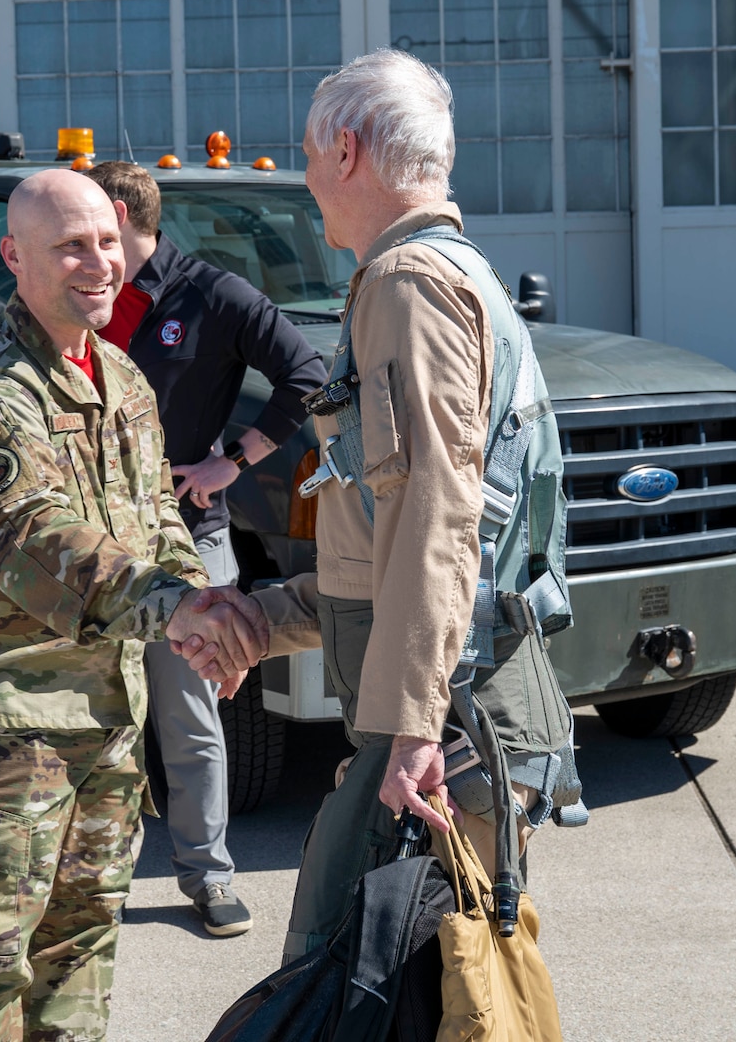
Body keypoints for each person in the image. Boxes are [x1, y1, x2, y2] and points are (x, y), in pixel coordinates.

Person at [218, 49, 571, 964]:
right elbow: (384, 547)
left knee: (359, 989)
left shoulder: (407, 285)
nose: (305, 178)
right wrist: (260, 618)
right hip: (450, 716)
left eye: (306, 153)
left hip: (440, 731)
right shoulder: (444, 274)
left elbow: (436, 515)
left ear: (346, 153)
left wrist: (412, 724)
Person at [0, 169, 267, 1041]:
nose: (97, 262)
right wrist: (176, 608)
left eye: (107, 241)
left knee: (81, 948)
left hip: (104, 719)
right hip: (1, 730)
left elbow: (156, 523)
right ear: (13, 258)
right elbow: (36, 543)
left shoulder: (121, 381)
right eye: (70, 245)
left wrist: (203, 610)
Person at [83, 162, 326, 938]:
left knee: (188, 718)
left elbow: (308, 373)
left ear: (119, 214)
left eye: (91, 220)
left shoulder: (209, 294)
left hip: (185, 541)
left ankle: (207, 876)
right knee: (94, 720)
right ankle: (93, 880)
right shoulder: (77, 297)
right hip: (89, 547)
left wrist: (235, 458)